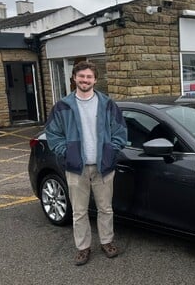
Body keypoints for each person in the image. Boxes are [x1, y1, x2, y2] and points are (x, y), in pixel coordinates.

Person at [45, 61, 127, 266]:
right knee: (79, 211)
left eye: (89, 77)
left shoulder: (107, 104)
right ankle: (83, 247)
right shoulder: (62, 106)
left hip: (103, 166)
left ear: (95, 80)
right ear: (74, 77)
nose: (85, 80)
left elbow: (120, 132)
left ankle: (107, 242)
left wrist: (111, 151)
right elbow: (53, 134)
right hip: (76, 168)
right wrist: (67, 153)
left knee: (106, 208)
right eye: (81, 76)